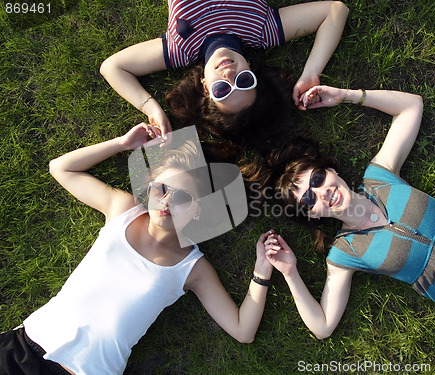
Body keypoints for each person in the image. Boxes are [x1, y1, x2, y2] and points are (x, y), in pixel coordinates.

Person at [0, 123, 275, 375]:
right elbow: (61, 168)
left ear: (198, 210)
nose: (166, 201)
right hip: (24, 347)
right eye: (161, 188)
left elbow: (242, 331)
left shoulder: (192, 268)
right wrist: (122, 143)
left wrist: (261, 269)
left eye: (181, 197)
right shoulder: (124, 211)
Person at [262, 85, 435, 341]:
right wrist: (290, 273)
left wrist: (348, 96)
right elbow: (323, 326)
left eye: (317, 178)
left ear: (331, 171)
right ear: (312, 215)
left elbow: (411, 106)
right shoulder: (345, 251)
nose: (321, 192)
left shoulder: (379, 177)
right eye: (309, 199)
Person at [100, 0, 349, 147]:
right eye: (244, 81)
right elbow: (335, 11)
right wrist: (310, 74)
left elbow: (112, 67)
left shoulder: (180, 49)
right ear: (252, 71)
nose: (230, 75)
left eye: (222, 90)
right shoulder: (262, 30)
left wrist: (151, 108)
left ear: (206, 87)